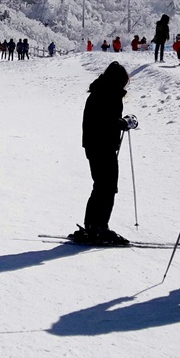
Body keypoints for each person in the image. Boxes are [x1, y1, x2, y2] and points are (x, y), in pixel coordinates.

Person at [69, 61, 133, 246]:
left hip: (94, 145)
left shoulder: (100, 91)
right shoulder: (109, 94)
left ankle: (92, 226)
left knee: (101, 186)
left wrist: (121, 122)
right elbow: (106, 122)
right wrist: (123, 124)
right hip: (102, 145)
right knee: (107, 187)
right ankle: (99, 228)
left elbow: (103, 119)